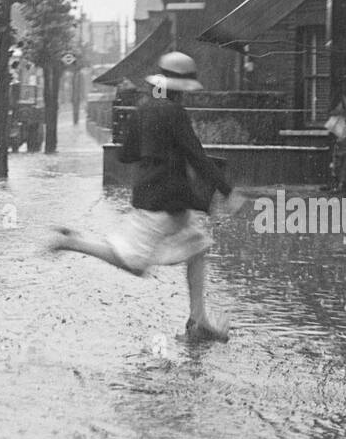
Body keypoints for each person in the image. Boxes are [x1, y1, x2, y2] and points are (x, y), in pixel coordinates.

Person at [49, 51, 242, 343]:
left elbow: (126, 155)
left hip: (158, 199)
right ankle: (72, 242)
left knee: (199, 248)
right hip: (166, 205)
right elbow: (197, 156)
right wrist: (228, 192)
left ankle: (198, 320)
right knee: (134, 264)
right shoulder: (175, 113)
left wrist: (153, 147)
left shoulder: (143, 110)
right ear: (179, 89)